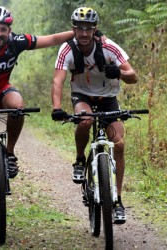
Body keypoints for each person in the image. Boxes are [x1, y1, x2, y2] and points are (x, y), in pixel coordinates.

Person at [0, 6, 104, 227]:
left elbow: (50, 39)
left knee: (18, 106)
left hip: (2, 91)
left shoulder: (16, 42)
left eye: (3, 29)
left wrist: (81, 33)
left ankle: (9, 154)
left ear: (9, 29)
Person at [51, 7, 138, 224]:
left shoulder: (109, 47)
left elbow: (133, 76)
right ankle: (80, 160)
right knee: (85, 120)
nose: (83, 33)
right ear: (73, 29)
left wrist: (118, 72)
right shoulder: (67, 49)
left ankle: (117, 200)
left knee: (119, 144)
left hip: (108, 99)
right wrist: (56, 107)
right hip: (82, 96)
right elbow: (58, 80)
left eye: (88, 29)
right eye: (79, 28)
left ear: (94, 30)